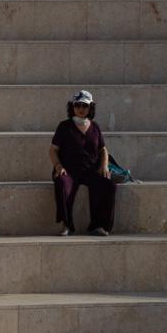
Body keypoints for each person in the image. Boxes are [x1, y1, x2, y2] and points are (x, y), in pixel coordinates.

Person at [49, 89, 115, 237]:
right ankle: (67, 225)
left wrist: (104, 166)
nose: (80, 109)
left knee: (108, 184)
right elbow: (53, 150)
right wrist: (58, 166)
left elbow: (103, 149)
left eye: (84, 106)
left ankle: (98, 225)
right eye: (77, 105)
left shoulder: (95, 127)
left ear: (90, 108)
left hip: (91, 170)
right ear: (72, 107)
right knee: (62, 183)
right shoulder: (64, 126)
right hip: (69, 170)